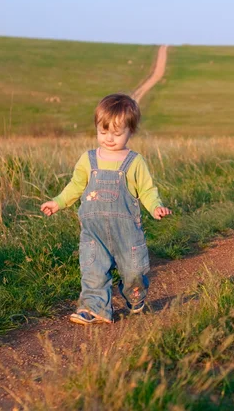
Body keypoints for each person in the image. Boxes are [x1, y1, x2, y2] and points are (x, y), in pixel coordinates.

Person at [40, 93, 172, 325]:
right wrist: (57, 202)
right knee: (92, 271)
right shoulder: (88, 159)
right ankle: (94, 308)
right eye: (103, 131)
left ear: (131, 131)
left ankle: (135, 296)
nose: (109, 138)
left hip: (127, 232)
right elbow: (75, 186)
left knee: (133, 273)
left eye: (117, 133)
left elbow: (147, 190)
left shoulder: (134, 162)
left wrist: (156, 207)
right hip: (94, 231)